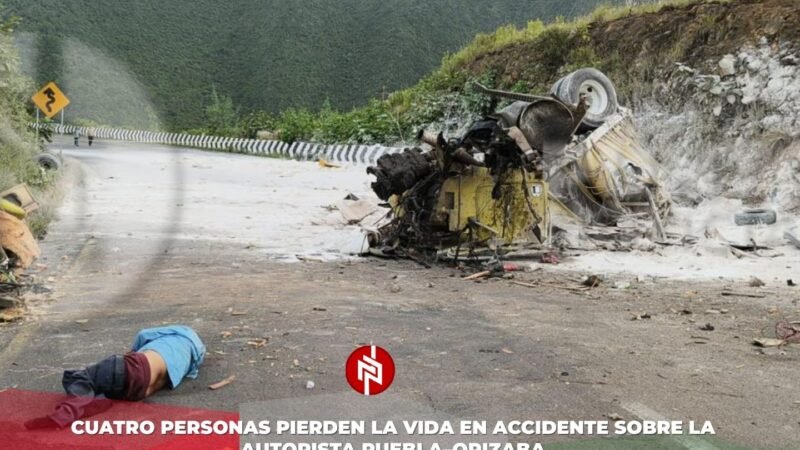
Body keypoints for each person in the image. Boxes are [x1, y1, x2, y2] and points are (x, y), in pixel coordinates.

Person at [24, 325, 206, 430]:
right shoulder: (194, 358)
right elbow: (188, 376)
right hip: (139, 392)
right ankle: (96, 402)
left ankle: (63, 415)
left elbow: (143, 334)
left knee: (78, 377)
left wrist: (132, 352)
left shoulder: (183, 331)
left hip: (136, 367)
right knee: (104, 385)